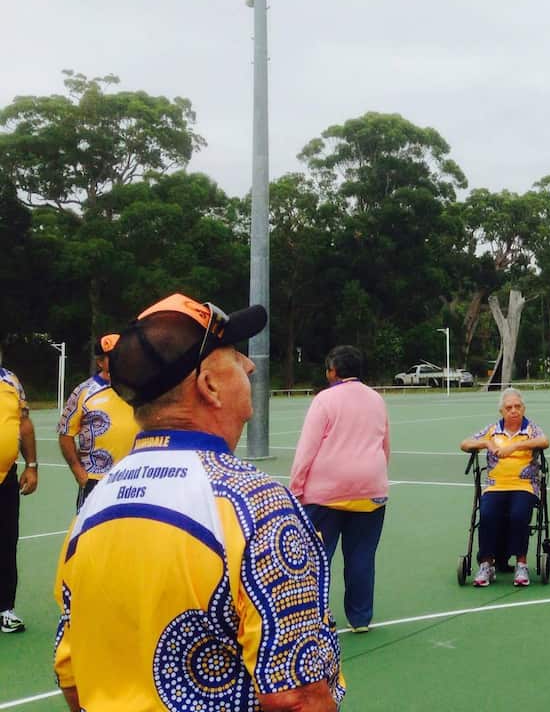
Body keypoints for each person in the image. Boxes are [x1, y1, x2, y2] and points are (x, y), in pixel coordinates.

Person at [54, 293, 343, 710]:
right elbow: (297, 697)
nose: (250, 365)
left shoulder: (95, 505)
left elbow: (71, 674)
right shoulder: (256, 505)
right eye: (233, 354)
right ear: (208, 385)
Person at [290, 345, 391, 633]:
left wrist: (296, 488)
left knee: (317, 558)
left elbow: (307, 448)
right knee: (362, 556)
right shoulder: (377, 399)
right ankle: (360, 618)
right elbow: (385, 446)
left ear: (333, 371)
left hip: (326, 493)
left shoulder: (325, 399)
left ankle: (313, 617)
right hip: (370, 489)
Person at [460, 389, 550, 588]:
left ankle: (521, 564)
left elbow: (545, 441)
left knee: (519, 514)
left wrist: (516, 447)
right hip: (495, 486)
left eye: (517, 407)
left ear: (523, 408)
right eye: (509, 408)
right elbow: (464, 443)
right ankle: (486, 564)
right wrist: (485, 443)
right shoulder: (493, 429)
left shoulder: (530, 429)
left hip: (524, 485)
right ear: (501, 411)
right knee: (488, 513)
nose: (514, 411)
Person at [56, 333, 139, 510]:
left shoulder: (141, 387)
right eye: (112, 357)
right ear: (101, 362)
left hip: (135, 477)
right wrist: (79, 472)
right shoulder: (84, 392)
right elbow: (65, 433)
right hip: (96, 479)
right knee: (89, 534)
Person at [1, 357, 38, 635]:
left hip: (6, 477)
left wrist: (32, 465)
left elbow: (24, 424)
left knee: (6, 541)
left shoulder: (10, 380)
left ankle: (5, 609)